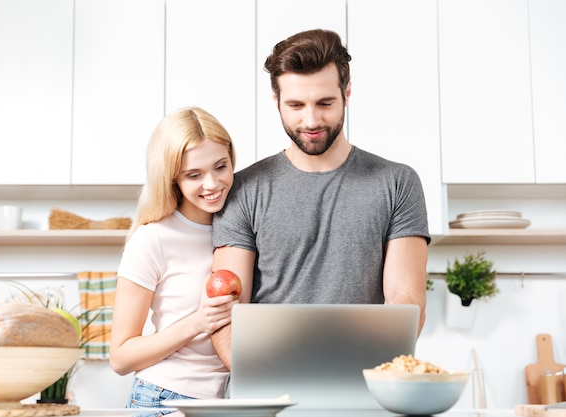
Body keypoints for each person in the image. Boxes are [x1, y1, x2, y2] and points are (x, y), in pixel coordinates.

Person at [210, 29, 431, 370]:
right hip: (267, 385)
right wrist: (259, 380)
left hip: (365, 383)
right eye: (295, 105)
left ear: (347, 94)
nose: (311, 120)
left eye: (325, 103)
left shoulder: (398, 183)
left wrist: (370, 379)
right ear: (276, 101)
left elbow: (405, 302)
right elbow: (225, 309)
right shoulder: (242, 189)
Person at [109, 107, 238, 414]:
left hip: (232, 399)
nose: (212, 184)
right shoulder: (152, 240)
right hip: (166, 399)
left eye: (220, 166)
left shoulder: (244, 228)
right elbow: (120, 357)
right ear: (172, 179)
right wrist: (197, 322)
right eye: (194, 175)